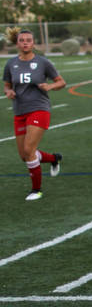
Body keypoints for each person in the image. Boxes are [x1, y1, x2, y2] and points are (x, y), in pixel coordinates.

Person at [3, 28, 65, 201]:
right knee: (24, 155)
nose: (25, 43)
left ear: (33, 43)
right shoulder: (10, 64)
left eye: (28, 40)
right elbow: (7, 85)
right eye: (22, 40)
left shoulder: (43, 62)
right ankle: (54, 158)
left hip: (39, 108)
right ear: (17, 43)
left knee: (29, 149)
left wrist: (50, 86)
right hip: (19, 110)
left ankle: (36, 190)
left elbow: (61, 82)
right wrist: (8, 92)